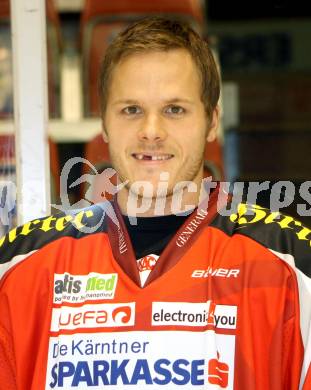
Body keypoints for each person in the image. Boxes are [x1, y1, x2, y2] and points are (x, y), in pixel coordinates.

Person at [0, 17, 311, 390]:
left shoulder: (291, 265)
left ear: (212, 121)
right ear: (104, 123)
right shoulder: (19, 264)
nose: (151, 131)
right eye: (131, 109)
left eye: (174, 110)